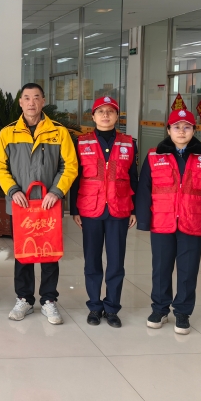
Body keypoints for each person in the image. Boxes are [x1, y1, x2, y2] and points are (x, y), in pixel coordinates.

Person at [0, 82, 78, 324]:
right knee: (23, 254)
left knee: (49, 253)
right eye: (27, 98)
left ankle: (49, 300)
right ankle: (24, 299)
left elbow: (69, 166)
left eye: (36, 97)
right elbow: (0, 166)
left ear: (43, 101)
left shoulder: (58, 132)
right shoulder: (7, 133)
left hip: (48, 205)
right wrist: (12, 190)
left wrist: (56, 191)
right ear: (20, 102)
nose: (31, 102)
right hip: (21, 205)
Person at [136, 109, 201, 335]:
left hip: (193, 222)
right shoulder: (154, 155)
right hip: (162, 221)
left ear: (194, 130)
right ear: (168, 130)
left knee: (188, 270)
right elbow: (144, 189)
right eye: (176, 127)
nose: (182, 131)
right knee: (161, 268)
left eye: (187, 127)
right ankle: (159, 309)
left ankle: (183, 312)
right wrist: (143, 220)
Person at [69, 96, 138, 328]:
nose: (105, 115)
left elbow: (134, 177)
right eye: (101, 111)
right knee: (92, 261)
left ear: (117, 116)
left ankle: (112, 308)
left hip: (119, 208)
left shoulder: (129, 143)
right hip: (90, 209)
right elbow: (75, 177)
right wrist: (74, 209)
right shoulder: (81, 142)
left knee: (116, 262)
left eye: (110, 111)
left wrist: (134, 208)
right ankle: (95, 307)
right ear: (93, 116)